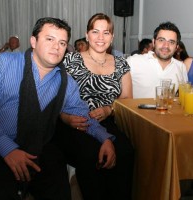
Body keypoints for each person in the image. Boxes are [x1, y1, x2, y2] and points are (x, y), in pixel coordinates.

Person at [0, 17, 116, 200]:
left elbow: (82, 113)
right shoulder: (5, 64)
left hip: (39, 145)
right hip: (1, 143)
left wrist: (105, 139)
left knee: (58, 184)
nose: (56, 47)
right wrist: (7, 149)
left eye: (62, 42)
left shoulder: (65, 82)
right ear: (33, 41)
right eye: (49, 39)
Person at [61, 13, 134, 200]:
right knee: (91, 154)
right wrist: (65, 117)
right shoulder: (70, 61)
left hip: (109, 121)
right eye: (95, 31)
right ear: (87, 35)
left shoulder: (121, 63)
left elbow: (127, 98)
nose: (101, 37)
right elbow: (57, 98)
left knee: (126, 151)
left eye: (106, 32)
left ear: (112, 37)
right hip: (77, 122)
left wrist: (109, 109)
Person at [127, 21, 188, 98]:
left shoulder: (181, 67)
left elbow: (183, 96)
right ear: (154, 42)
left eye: (171, 42)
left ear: (177, 46)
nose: (166, 45)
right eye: (161, 40)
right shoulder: (133, 62)